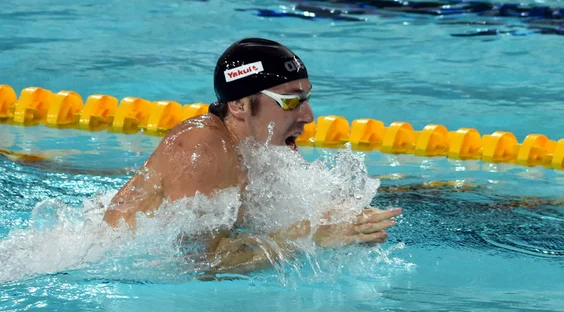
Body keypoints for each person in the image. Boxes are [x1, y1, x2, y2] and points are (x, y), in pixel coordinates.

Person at [102, 38, 402, 274]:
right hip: (109, 265)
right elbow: (196, 263)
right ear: (239, 105)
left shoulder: (269, 148)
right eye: (290, 102)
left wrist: (348, 222)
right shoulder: (202, 147)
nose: (308, 116)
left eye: (306, 99)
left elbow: (285, 218)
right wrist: (312, 235)